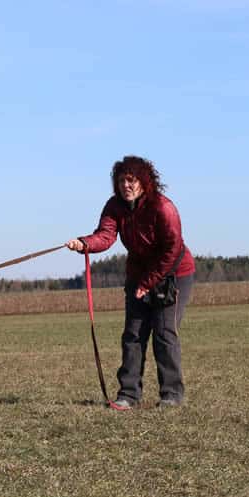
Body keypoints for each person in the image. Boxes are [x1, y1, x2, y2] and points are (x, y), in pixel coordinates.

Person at [66, 156, 196, 408]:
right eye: (122, 180)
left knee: (164, 332)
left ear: (144, 182)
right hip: (138, 276)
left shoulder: (163, 207)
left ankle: (171, 395)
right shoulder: (114, 206)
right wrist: (84, 244)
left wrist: (149, 282)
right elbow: (105, 236)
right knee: (133, 335)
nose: (126, 185)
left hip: (173, 273)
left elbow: (173, 249)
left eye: (131, 180)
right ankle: (128, 395)